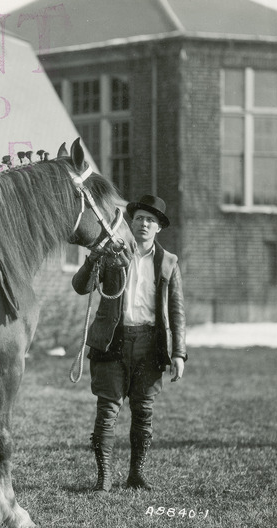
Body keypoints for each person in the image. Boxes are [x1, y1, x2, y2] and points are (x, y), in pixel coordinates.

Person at [72, 194, 187, 493]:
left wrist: (179, 354)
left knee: (143, 410)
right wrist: (95, 256)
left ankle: (136, 474)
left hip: (150, 344)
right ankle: (105, 477)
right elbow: (80, 286)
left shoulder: (169, 262)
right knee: (107, 410)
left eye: (151, 220)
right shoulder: (114, 252)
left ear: (159, 227)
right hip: (112, 340)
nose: (144, 225)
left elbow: (177, 311)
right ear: (130, 222)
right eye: (139, 219)